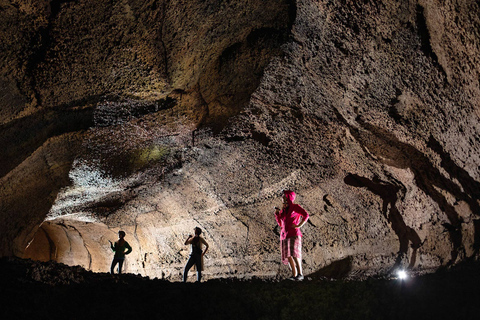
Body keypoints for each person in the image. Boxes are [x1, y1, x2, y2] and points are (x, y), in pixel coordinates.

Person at [274, 190, 310, 281]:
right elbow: (281, 224)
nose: (282, 198)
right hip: (284, 235)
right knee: (289, 255)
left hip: (294, 233)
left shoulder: (295, 207)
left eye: (284, 196)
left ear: (288, 197)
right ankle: (294, 275)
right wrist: (277, 214)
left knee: (294, 254)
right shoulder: (284, 210)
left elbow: (306, 215)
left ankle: (300, 274)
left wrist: (299, 225)